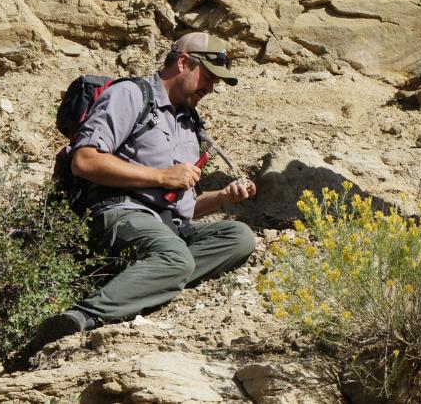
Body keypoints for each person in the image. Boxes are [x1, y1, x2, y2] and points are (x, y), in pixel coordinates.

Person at [33, 32, 258, 350]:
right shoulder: (131, 95)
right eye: (208, 77)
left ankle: (150, 280)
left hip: (167, 226)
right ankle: (80, 318)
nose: (211, 88)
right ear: (183, 63)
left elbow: (185, 207)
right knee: (176, 258)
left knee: (239, 237)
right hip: (117, 211)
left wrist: (223, 197)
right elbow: (84, 160)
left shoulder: (189, 123)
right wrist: (162, 177)